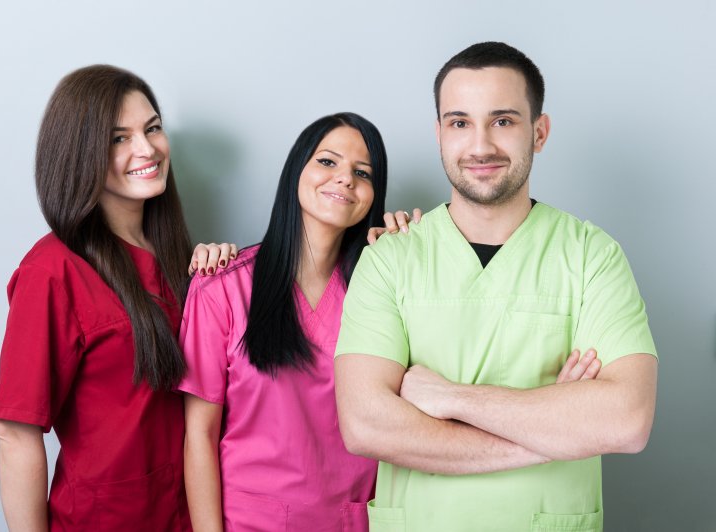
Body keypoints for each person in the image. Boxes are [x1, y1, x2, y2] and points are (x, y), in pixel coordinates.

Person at [335, 42, 658, 531]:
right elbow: (365, 425)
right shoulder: (389, 260)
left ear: (540, 132)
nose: (480, 145)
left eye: (503, 121)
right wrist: (553, 431)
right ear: (440, 134)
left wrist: (450, 398)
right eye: (459, 122)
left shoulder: (592, 255)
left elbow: (627, 420)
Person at [0, 65, 234, 531]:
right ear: (79, 153)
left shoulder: (179, 258)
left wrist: (220, 277)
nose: (146, 149)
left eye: (153, 128)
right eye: (117, 138)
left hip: (193, 515)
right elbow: (14, 432)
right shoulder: (52, 270)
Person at [180, 112, 388, 531]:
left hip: (357, 521)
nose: (345, 179)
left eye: (361, 172)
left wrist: (411, 253)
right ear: (296, 171)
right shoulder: (221, 288)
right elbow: (198, 436)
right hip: (251, 523)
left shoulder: (383, 291)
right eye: (328, 162)